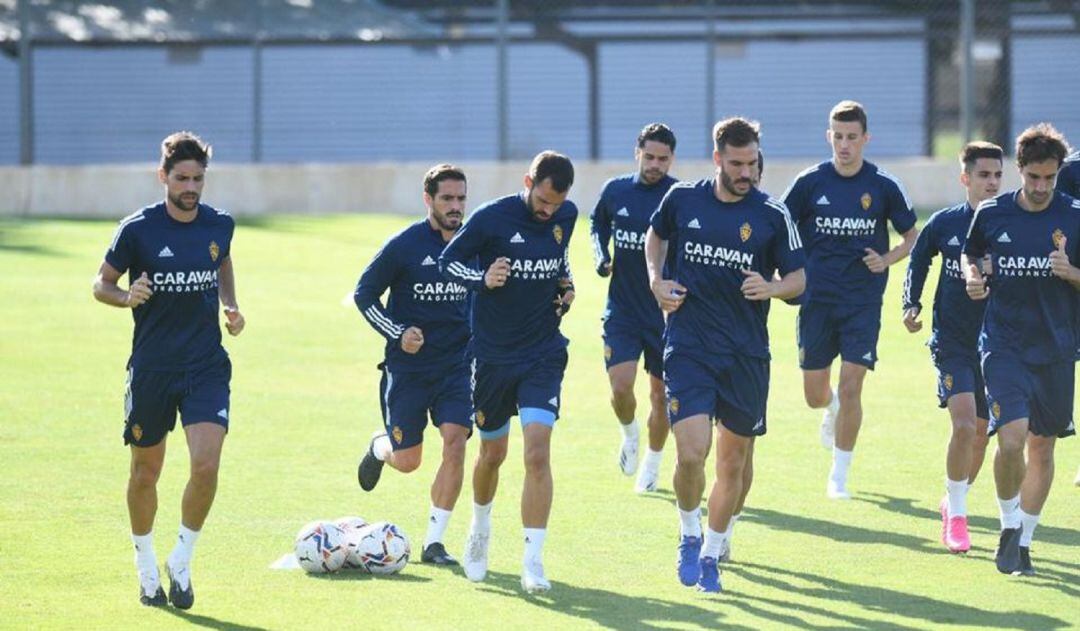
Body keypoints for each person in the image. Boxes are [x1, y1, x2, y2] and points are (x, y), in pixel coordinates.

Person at [645, 118, 805, 593]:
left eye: (752, 163)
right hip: (689, 346)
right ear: (717, 159)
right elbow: (655, 238)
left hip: (745, 354)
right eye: (736, 164)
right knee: (692, 453)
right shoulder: (682, 200)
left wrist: (772, 288)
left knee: (733, 464)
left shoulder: (773, 214)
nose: (746, 173)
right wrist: (656, 280)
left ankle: (713, 553)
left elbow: (799, 279)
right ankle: (689, 534)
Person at [92, 131, 244, 609]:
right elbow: (101, 284)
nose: (191, 187)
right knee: (145, 473)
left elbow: (222, 262)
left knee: (206, 465)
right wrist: (125, 297)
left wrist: (231, 304)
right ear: (163, 176)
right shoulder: (137, 229)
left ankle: (181, 559)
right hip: (153, 370)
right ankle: (145, 566)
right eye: (182, 179)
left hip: (206, 366)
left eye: (198, 179)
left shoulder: (220, 224)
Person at [438, 151, 577, 594]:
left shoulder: (567, 216)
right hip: (493, 358)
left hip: (543, 354)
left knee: (537, 453)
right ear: (528, 182)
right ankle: (479, 528)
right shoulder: (491, 218)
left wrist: (566, 284)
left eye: (557, 203)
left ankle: (533, 560)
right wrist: (483, 279)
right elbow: (448, 262)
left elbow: (558, 258)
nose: (549, 210)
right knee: (492, 454)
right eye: (543, 200)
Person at [781, 100, 919, 499]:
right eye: (838, 136)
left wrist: (887, 259)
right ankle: (830, 408)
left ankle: (839, 475)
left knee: (852, 385)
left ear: (865, 139)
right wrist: (784, 272)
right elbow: (778, 225)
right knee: (814, 395)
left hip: (862, 302)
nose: (844, 145)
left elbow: (912, 237)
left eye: (852, 137)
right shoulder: (809, 182)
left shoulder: (884, 185)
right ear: (829, 136)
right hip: (816, 301)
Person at [963, 123, 1079, 576]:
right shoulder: (992, 213)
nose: (1041, 187)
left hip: (1056, 349)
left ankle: (1024, 541)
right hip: (1004, 345)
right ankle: (1009, 523)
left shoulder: (1074, 215)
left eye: (1050, 178)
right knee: (1011, 439)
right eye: (1033, 177)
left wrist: (1072, 273)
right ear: (1020, 169)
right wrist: (974, 275)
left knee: (1043, 447)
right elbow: (971, 253)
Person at [354, 164, 473, 566]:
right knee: (408, 461)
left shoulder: (474, 244)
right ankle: (380, 446)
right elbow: (364, 294)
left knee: (456, 443)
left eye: (461, 198)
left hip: (457, 367)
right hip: (408, 370)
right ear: (428, 200)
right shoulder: (404, 245)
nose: (455, 206)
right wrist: (398, 332)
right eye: (447, 199)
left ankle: (434, 542)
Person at [902, 142, 1002, 553]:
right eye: (983, 175)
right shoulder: (945, 223)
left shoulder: (1010, 224)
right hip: (952, 342)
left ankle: (952, 499)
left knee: (980, 434)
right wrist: (911, 303)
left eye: (997, 175)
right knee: (963, 425)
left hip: (997, 344)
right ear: (965, 178)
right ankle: (958, 516)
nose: (992, 183)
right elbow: (918, 259)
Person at [590, 123, 678, 491]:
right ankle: (629, 433)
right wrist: (601, 255)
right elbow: (597, 223)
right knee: (621, 386)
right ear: (637, 153)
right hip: (623, 309)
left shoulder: (677, 196)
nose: (655, 165)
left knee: (660, 395)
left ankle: (652, 464)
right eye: (649, 157)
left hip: (664, 313)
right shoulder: (616, 190)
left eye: (663, 159)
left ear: (671, 159)